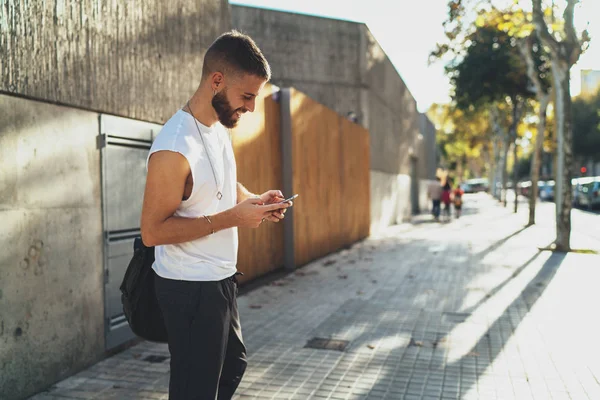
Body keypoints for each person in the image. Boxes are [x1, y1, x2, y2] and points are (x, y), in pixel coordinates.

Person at [140, 31, 291, 400]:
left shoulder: (218, 129)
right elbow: (152, 232)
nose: (252, 107)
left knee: (232, 366)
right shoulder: (175, 146)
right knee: (196, 390)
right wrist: (234, 219)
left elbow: (222, 186)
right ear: (217, 81)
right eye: (247, 96)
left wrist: (255, 201)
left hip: (220, 280)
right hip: (188, 287)